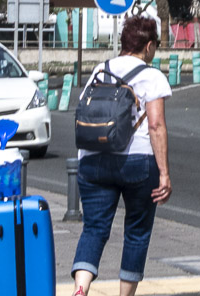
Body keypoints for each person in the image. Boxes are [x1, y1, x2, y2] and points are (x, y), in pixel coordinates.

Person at [70, 16, 173, 296]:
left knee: (93, 229)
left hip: (92, 159)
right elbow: (155, 125)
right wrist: (164, 172)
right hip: (137, 162)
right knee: (137, 232)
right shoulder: (152, 76)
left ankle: (81, 290)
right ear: (149, 46)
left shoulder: (99, 71)